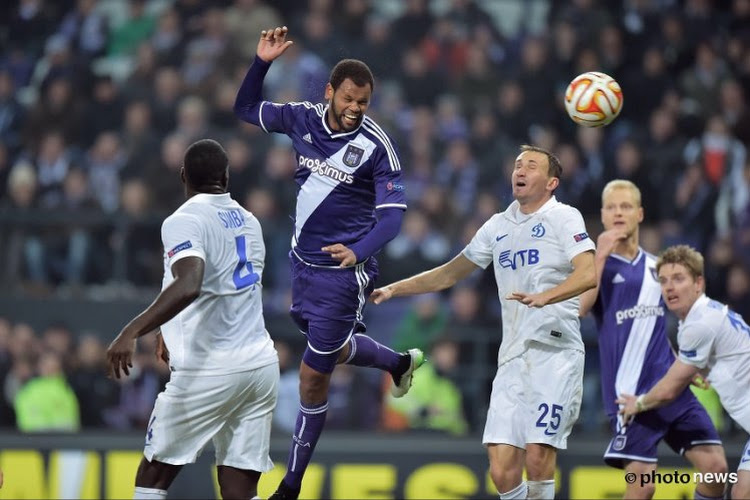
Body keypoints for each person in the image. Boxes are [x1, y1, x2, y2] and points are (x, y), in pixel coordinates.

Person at [233, 27, 424, 500]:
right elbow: (243, 109)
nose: (356, 108)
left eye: (364, 101)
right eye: (349, 98)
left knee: (312, 374)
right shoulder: (301, 119)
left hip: (344, 272)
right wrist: (261, 64)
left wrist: (358, 252)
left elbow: (394, 217)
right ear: (330, 93)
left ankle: (292, 484)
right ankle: (398, 363)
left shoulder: (379, 148)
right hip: (302, 264)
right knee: (333, 349)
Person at [372, 144, 597, 499]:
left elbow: (588, 272)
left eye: (532, 166)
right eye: (518, 164)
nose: (520, 171)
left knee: (538, 455)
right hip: (512, 357)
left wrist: (546, 297)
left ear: (552, 182)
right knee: (501, 469)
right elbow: (450, 274)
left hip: (555, 352)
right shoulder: (498, 225)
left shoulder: (564, 217)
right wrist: (396, 288)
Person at [106, 139, 279, 500]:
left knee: (152, 473)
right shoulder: (250, 221)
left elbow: (190, 283)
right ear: (227, 176)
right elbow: (223, 289)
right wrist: (171, 328)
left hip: (211, 369)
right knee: (239, 489)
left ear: (183, 175)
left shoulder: (183, 220)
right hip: (260, 365)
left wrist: (132, 329)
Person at [579, 180, 727, 500]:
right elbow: (581, 308)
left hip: (671, 389)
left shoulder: (657, 267)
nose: (619, 212)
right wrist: (600, 254)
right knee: (642, 486)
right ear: (602, 216)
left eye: (626, 206)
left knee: (716, 469)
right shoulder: (594, 267)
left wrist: (688, 363)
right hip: (630, 397)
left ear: (640, 214)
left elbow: (656, 329)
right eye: (612, 207)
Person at [619, 245, 750, 500]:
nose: (669, 287)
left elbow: (668, 390)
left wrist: (639, 403)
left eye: (678, 279)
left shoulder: (699, 324)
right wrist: (691, 368)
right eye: (664, 280)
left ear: (698, 283)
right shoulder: (703, 315)